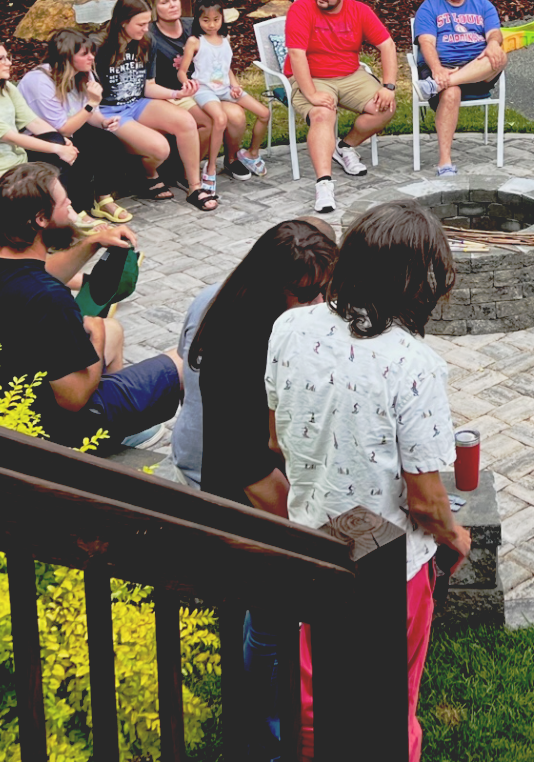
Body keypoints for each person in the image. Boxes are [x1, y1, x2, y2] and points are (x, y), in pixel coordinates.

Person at [270, 200, 470, 762]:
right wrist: (456, 538)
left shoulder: (289, 327)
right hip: (390, 572)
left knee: (313, 702)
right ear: (417, 283)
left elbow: (274, 437)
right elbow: (426, 502)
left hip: (310, 547)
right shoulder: (414, 364)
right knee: (389, 703)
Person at [172, 217, 339, 761]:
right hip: (249, 498)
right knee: (270, 622)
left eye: (327, 290)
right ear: (271, 288)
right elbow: (250, 470)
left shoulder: (262, 316)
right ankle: (264, 737)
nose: (320, 305)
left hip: (263, 482)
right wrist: (309, 531)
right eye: (306, 294)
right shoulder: (243, 344)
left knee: (268, 620)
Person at [0, 163, 180, 444]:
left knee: (113, 330)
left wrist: (92, 242)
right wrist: (96, 337)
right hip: (45, 427)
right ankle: (105, 432)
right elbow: (73, 398)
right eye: (64, 202)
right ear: (41, 219)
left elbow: (37, 274)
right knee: (184, 359)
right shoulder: (49, 299)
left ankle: (119, 428)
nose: (71, 206)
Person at [285, 0, 399, 214]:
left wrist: (388, 86)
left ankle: (345, 146)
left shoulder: (359, 11)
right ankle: (324, 184)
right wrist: (312, 94)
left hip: (350, 75)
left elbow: (387, 45)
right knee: (322, 115)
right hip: (312, 76)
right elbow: (296, 54)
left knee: (385, 107)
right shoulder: (301, 8)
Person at [94, 0, 212, 211]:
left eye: (147, 23)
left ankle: (194, 187)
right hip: (110, 111)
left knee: (186, 121)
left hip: (138, 103)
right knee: (160, 149)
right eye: (140, 24)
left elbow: (147, 86)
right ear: (122, 22)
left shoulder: (146, 42)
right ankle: (148, 174)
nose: (146, 29)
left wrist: (177, 94)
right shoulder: (99, 47)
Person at [18, 28, 137, 224]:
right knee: (78, 155)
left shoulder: (84, 74)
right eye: (84, 54)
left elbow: (89, 113)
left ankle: (103, 199)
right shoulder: (39, 81)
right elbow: (63, 128)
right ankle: (76, 208)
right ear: (67, 57)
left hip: (68, 129)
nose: (92, 58)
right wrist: (92, 103)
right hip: (38, 138)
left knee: (108, 141)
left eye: (91, 52)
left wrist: (103, 122)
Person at [411, 0, 508, 176]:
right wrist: (437, 69)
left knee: (500, 56)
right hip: (442, 66)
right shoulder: (430, 7)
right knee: (451, 92)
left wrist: (493, 44)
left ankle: (435, 86)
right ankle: (445, 162)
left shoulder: (482, 5)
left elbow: (494, 33)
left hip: (477, 69)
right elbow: (427, 43)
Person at [0, 40, 83, 184]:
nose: (8, 63)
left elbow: (33, 121)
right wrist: (58, 149)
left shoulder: (6, 88)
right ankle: (60, 197)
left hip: (18, 159)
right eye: (0, 59)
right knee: (57, 155)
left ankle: (66, 196)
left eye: (8, 58)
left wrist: (61, 141)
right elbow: (11, 137)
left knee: (60, 145)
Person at [180, 0, 272, 188]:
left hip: (225, 88)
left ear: (222, 18)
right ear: (198, 20)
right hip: (204, 89)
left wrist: (235, 85)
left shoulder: (225, 39)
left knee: (264, 113)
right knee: (220, 119)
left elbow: (225, 67)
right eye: (206, 20)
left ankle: (251, 154)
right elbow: (182, 71)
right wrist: (186, 82)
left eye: (216, 19)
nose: (211, 25)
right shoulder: (195, 41)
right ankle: (211, 168)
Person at [146, 0, 213, 152]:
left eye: (174, 0)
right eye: (164, 2)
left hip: (200, 87)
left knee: (231, 115)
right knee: (207, 122)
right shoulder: (149, 36)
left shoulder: (193, 26)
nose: (172, 5)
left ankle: (231, 159)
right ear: (154, 7)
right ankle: (188, 166)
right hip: (170, 94)